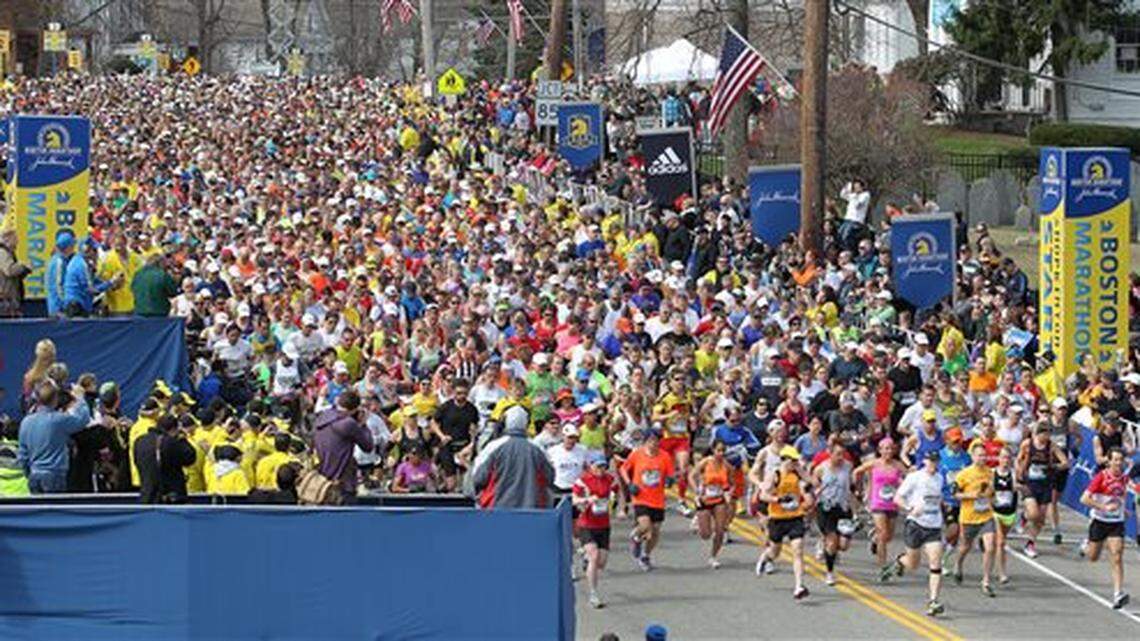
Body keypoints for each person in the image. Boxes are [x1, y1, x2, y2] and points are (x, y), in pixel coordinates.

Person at [891, 449, 947, 617]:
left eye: (935, 461)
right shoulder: (915, 477)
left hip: (934, 526)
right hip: (915, 524)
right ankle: (900, 561)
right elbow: (897, 497)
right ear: (924, 461)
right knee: (913, 564)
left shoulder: (939, 478)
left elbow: (938, 499)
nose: (933, 464)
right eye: (930, 460)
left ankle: (933, 601)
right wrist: (910, 508)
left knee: (936, 563)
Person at [755, 445, 813, 599]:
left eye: (796, 461)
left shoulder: (797, 475)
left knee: (798, 550)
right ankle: (765, 558)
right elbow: (763, 496)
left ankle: (799, 586)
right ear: (784, 460)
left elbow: (812, 482)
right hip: (778, 518)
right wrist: (778, 499)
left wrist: (801, 471)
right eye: (792, 461)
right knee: (776, 551)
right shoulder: (775, 475)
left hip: (795, 516)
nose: (795, 463)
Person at [471, 405, 556, 509]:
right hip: (532, 510)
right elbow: (550, 477)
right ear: (526, 424)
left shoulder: (493, 447)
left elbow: (478, 478)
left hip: (496, 509)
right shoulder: (537, 448)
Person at [17, 380, 92, 493]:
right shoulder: (58, 420)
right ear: (56, 398)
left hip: (34, 475)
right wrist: (80, 398)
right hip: (55, 475)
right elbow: (83, 418)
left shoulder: (26, 422)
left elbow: (23, 455)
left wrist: (29, 473)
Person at [1079, 448, 1131, 609]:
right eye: (1115, 460)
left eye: (1120, 460)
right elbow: (1084, 499)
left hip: (1116, 522)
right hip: (1100, 521)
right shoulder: (1100, 477)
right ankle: (1085, 545)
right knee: (1093, 557)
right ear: (1108, 461)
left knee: (1117, 555)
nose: (1118, 463)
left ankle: (1118, 593)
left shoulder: (1124, 478)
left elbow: (1120, 495)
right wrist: (1102, 507)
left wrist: (1123, 509)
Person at [620, 427, 675, 571]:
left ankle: (645, 555)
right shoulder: (637, 455)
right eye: (651, 440)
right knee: (646, 526)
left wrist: (669, 480)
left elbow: (670, 473)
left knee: (655, 531)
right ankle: (635, 536)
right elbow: (624, 469)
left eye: (657, 440)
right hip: (640, 497)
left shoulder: (665, 456)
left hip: (657, 499)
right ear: (645, 441)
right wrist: (629, 484)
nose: (654, 443)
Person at [854, 437, 905, 581]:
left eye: (890, 448)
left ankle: (874, 540)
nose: (888, 451)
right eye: (885, 448)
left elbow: (908, 478)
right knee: (883, 534)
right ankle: (883, 567)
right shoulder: (874, 464)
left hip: (892, 503)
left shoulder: (898, 465)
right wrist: (859, 489)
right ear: (880, 450)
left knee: (888, 536)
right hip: (877, 503)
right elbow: (857, 471)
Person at [952, 440, 997, 597]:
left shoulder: (990, 473)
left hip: (986, 515)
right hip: (969, 516)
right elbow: (955, 494)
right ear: (972, 456)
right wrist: (969, 495)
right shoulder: (964, 474)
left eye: (984, 455)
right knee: (965, 546)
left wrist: (992, 498)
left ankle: (986, 581)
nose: (982, 458)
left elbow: (992, 492)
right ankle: (958, 563)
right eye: (979, 455)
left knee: (990, 547)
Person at [312, 389, 374, 502]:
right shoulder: (348, 424)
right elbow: (368, 446)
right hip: (343, 483)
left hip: (322, 480)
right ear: (354, 409)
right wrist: (363, 424)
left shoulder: (322, 417)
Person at [1016, 422, 1067, 558]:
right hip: (1030, 483)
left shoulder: (1052, 446)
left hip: (1045, 484)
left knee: (1041, 519)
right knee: (1034, 514)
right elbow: (1019, 459)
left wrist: (1054, 466)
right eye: (1044, 433)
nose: (1046, 436)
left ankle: (1030, 543)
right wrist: (1019, 472)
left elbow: (1065, 462)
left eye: (1048, 434)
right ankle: (1024, 516)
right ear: (1038, 433)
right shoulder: (1027, 444)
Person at [573, 451, 616, 608]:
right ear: (590, 466)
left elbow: (616, 492)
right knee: (594, 556)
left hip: (603, 524)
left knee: (601, 562)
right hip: (586, 524)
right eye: (598, 466)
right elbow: (574, 499)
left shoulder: (609, 479)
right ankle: (593, 594)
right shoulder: (583, 481)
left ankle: (585, 556)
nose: (601, 469)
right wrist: (587, 499)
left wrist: (616, 501)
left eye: (603, 466)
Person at [812, 440, 856, 585]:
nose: (840, 457)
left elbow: (852, 487)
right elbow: (813, 484)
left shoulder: (848, 467)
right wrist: (815, 491)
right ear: (829, 454)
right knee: (832, 542)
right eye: (837, 454)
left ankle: (824, 544)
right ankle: (830, 573)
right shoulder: (821, 469)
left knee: (843, 545)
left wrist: (854, 507)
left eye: (842, 454)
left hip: (843, 508)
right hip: (826, 508)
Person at [689, 439, 733, 568]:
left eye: (723, 451)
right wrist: (697, 490)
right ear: (713, 450)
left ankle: (713, 556)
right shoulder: (706, 462)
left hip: (719, 499)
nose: (721, 453)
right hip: (704, 499)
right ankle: (697, 518)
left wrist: (729, 493)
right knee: (706, 535)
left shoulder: (727, 466)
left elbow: (732, 483)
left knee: (720, 530)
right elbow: (691, 476)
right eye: (718, 450)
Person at [134, 414, 197, 504]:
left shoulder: (139, 441)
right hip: (169, 498)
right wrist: (182, 439)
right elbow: (190, 458)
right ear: (173, 429)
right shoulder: (170, 442)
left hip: (146, 496)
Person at [991, 446, 1019, 586]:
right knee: (1001, 542)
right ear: (998, 458)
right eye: (1003, 457)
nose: (1005, 461)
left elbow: (1016, 489)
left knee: (1001, 541)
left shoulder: (1013, 474)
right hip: (995, 512)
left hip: (1009, 512)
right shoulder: (992, 473)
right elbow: (989, 493)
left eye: (1008, 458)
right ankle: (1002, 573)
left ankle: (995, 561)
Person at [130, 251, 180, 317]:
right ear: (160, 263)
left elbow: (132, 289)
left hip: (140, 312)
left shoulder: (138, 274)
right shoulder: (162, 275)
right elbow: (173, 292)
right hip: (159, 312)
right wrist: (176, 280)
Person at [0, 226, 31, 317]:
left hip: (9, 299)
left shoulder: (8, 253)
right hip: (6, 299)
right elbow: (9, 270)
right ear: (8, 239)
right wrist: (23, 265)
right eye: (15, 239)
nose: (17, 242)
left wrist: (24, 271)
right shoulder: (2, 253)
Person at [45, 230, 76, 317]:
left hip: (57, 306)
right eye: (72, 245)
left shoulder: (58, 260)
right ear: (68, 247)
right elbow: (58, 286)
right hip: (58, 309)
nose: (74, 248)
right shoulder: (59, 262)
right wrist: (65, 303)